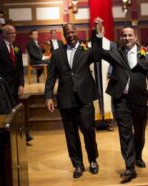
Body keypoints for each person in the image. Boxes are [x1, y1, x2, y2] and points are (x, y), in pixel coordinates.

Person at [95, 18, 148, 183]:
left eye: (130, 35)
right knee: (125, 134)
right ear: (121, 37)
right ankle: (130, 167)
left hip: (140, 100)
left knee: (139, 132)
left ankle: (138, 155)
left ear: (135, 37)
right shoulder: (116, 52)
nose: (128, 38)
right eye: (125, 36)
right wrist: (98, 34)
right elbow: (99, 52)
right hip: (121, 100)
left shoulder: (146, 53)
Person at [44, 23, 99, 179]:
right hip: (66, 99)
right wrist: (48, 96)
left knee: (88, 130)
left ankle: (93, 159)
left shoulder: (86, 49)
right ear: (64, 35)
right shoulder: (57, 53)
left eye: (72, 32)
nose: (70, 35)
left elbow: (97, 55)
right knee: (71, 134)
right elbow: (51, 77)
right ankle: (78, 164)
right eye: (67, 33)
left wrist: (96, 32)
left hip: (85, 97)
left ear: (77, 32)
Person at [0, 24, 34, 142]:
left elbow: (20, 68)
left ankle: (24, 135)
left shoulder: (16, 48)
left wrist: (21, 84)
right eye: (10, 33)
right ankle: (12, 137)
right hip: (3, 86)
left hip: (15, 86)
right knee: (8, 112)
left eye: (14, 33)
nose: (13, 35)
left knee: (17, 111)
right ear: (4, 34)